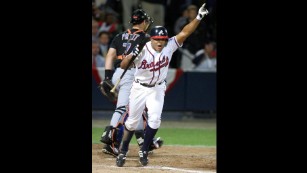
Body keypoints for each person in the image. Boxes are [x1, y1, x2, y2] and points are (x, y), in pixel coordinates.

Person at [116, 3, 209, 167]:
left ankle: (144, 150)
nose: (160, 42)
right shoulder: (142, 49)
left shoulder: (169, 46)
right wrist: (132, 54)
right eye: (157, 39)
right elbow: (123, 66)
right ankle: (123, 150)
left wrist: (199, 17)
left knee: (155, 120)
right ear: (151, 38)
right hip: (139, 87)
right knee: (131, 122)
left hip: (157, 88)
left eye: (163, 40)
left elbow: (185, 32)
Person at [99, 9, 163, 157]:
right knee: (123, 109)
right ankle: (111, 141)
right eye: (146, 21)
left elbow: (110, 55)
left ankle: (143, 139)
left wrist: (108, 77)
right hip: (130, 74)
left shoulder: (119, 36)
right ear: (143, 22)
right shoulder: (146, 38)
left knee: (137, 109)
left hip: (117, 74)